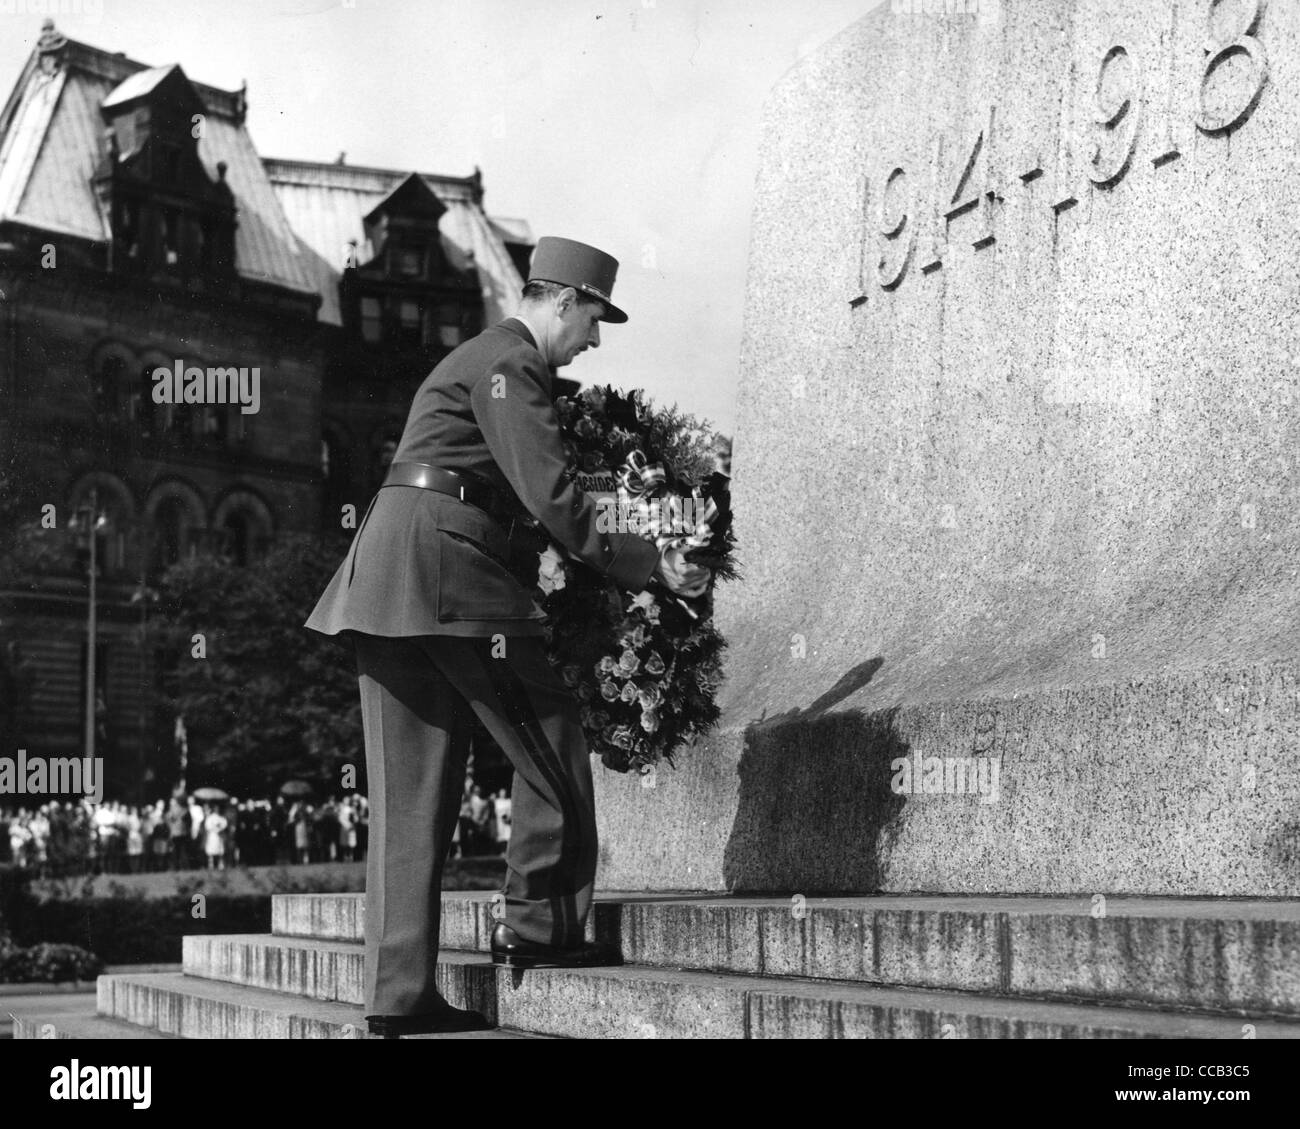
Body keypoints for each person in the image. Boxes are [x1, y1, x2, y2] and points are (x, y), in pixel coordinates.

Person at [305, 237, 710, 1038]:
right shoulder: (513, 361)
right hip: (444, 567)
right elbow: (555, 498)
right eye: (594, 320)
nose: (593, 341)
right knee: (553, 726)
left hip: (385, 572)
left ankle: (398, 996)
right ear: (562, 298)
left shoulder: (479, 359)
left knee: (406, 797)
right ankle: (540, 927)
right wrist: (651, 561)